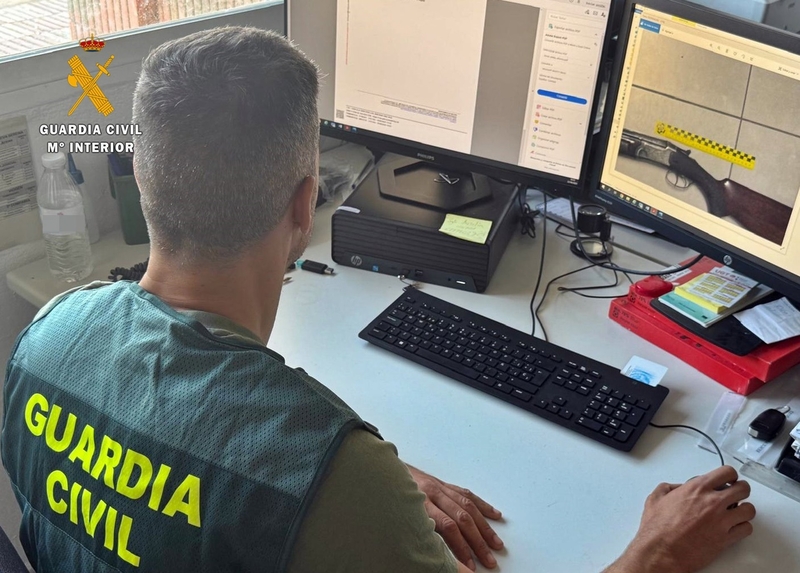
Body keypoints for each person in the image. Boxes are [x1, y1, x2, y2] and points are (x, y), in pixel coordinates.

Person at [1, 27, 755, 573]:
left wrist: (362, 490)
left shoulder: (48, 335)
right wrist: (658, 552)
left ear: (143, 177)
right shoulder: (326, 476)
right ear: (307, 204)